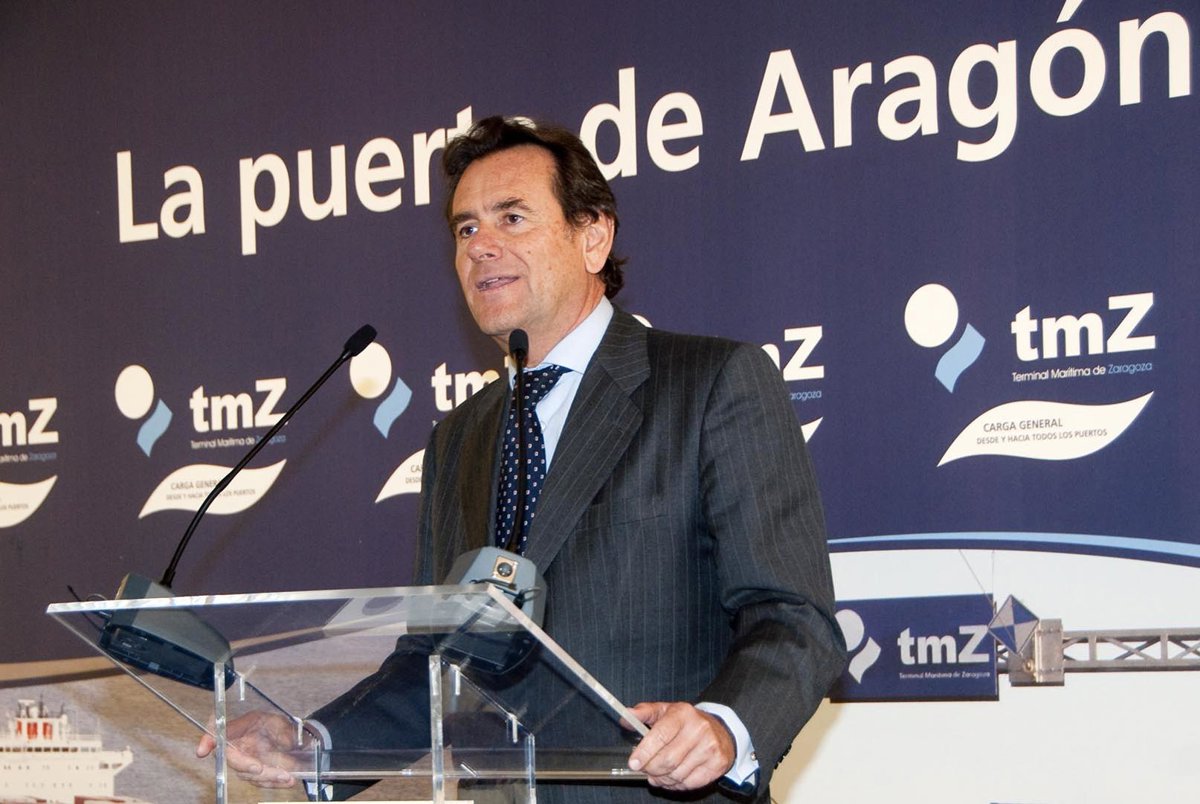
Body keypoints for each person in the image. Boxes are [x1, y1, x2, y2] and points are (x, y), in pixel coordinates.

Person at [198, 116, 846, 802]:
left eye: (511, 217)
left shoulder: (710, 385)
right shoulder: (458, 439)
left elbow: (793, 618)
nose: (481, 246)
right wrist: (316, 744)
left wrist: (723, 726)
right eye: (465, 229)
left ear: (593, 237)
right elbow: (435, 662)